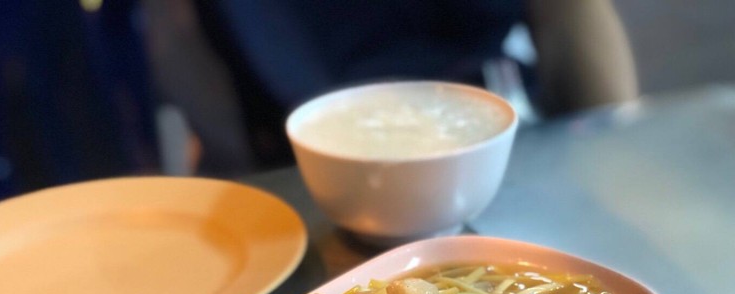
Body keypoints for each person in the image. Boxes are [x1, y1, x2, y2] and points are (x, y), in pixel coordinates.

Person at [143, 0, 638, 173]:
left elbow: (570, 15)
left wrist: (614, 145)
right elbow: (183, 43)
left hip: (495, 127)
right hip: (289, 147)